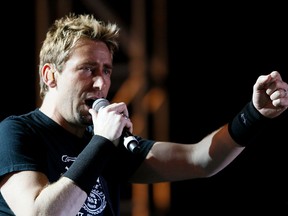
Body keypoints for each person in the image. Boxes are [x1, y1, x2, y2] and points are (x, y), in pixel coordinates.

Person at [0, 13, 287, 216]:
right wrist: (101, 142)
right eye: (87, 69)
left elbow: (201, 159)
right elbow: (40, 214)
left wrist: (254, 114)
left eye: (107, 70)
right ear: (51, 75)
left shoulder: (107, 144)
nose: (101, 84)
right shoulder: (18, 132)